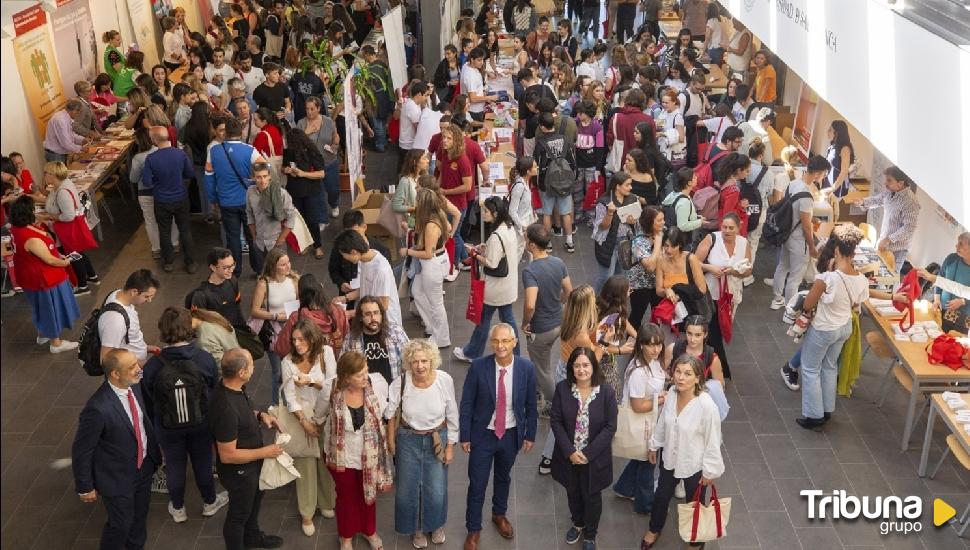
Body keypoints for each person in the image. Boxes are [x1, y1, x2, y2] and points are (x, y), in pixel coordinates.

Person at [789, 225, 906, 429]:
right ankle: (827, 410)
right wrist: (892, 296)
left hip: (824, 329)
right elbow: (859, 300)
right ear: (853, 253)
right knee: (830, 367)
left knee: (810, 367)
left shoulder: (827, 279)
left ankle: (814, 415)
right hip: (844, 329)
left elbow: (808, 304)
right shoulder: (860, 279)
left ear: (836, 251)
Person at [141, 307, 228, 523]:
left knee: (174, 465)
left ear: (163, 331)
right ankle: (209, 502)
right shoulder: (203, 358)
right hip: (201, 422)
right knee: (203, 462)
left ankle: (178, 507)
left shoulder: (153, 365)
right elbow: (214, 389)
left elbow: (149, 398)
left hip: (167, 425)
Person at [72, 349, 162, 550]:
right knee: (121, 524)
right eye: (132, 367)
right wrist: (85, 486)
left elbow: (144, 419)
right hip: (116, 477)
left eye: (136, 363)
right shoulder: (97, 408)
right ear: (115, 374)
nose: (139, 369)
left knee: (139, 518)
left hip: (144, 468)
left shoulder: (135, 387)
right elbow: (82, 449)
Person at [459, 323, 538, 550]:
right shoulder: (478, 367)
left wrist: (530, 434)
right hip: (482, 435)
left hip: (511, 434)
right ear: (491, 342)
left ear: (514, 342)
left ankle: (499, 514)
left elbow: (531, 404)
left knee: (503, 477)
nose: (500, 345)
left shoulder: (526, 368)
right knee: (477, 483)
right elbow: (466, 404)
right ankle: (473, 529)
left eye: (505, 341)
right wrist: (465, 436)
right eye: (496, 341)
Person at [640, 354, 724, 549]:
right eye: (678, 371)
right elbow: (663, 423)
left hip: (694, 464)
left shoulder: (706, 406)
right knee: (661, 496)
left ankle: (696, 541)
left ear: (697, 378)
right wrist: (655, 444)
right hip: (669, 458)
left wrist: (710, 471)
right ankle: (654, 529)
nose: (681, 377)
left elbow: (713, 440)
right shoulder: (671, 393)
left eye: (687, 373)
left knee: (694, 503)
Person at [313, 351, 392, 550]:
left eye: (366, 372)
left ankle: (369, 531)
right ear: (346, 377)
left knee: (368, 494)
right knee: (346, 497)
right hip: (342, 456)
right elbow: (319, 414)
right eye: (360, 375)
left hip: (370, 454)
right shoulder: (331, 388)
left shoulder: (376, 384)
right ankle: (346, 536)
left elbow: (383, 412)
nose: (366, 377)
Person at [209, 348, 285, 549]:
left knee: (253, 504)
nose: (254, 368)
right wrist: (266, 452)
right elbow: (227, 455)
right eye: (251, 364)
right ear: (241, 372)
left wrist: (260, 416)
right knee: (238, 515)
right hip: (240, 473)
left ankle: (252, 537)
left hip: (251, 466)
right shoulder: (225, 407)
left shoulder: (234, 387)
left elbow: (243, 411)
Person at [385, 340, 458, 548]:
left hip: (437, 438)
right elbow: (390, 414)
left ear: (432, 360)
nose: (420, 366)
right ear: (409, 362)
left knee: (436, 487)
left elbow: (452, 415)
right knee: (408, 488)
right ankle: (415, 529)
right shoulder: (400, 382)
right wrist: (391, 442)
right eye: (415, 361)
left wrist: (451, 445)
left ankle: (435, 525)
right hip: (408, 439)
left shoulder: (444, 380)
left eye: (424, 361)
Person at [550, 346, 618, 550]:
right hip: (568, 456)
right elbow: (556, 421)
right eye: (577, 365)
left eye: (586, 365)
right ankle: (577, 523)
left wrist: (587, 454)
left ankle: (590, 534)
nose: (581, 370)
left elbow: (610, 427)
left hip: (594, 458)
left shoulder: (606, 392)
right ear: (571, 368)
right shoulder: (563, 389)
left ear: (593, 366)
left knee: (592, 496)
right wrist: (570, 452)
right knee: (573, 492)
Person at [281, 319, 337, 536]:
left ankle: (326, 501)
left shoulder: (326, 353)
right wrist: (304, 422)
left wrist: (311, 382)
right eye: (294, 339)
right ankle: (306, 512)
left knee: (325, 459)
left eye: (301, 339)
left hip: (326, 415)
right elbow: (290, 397)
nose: (296, 343)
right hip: (302, 418)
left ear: (312, 338)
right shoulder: (288, 362)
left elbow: (333, 384)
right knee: (304, 463)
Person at [454, 198, 522, 362]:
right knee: (507, 321)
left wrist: (475, 254)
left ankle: (472, 352)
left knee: (483, 320)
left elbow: (492, 263)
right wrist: (486, 248)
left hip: (495, 288)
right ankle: (516, 355)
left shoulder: (496, 236)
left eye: (485, 211)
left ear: (495, 213)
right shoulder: (509, 228)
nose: (482, 214)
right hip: (507, 285)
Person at [7, 196, 80, 351]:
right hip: (43, 278)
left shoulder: (16, 228)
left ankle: (43, 333)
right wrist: (65, 262)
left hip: (28, 275)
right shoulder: (31, 239)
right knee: (51, 308)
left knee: (39, 306)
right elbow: (49, 260)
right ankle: (56, 343)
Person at [613, 324, 666, 515]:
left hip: (650, 420)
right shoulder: (638, 372)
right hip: (644, 423)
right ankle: (645, 504)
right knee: (647, 464)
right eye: (651, 345)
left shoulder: (652, 362)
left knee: (641, 458)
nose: (656, 349)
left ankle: (624, 487)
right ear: (641, 345)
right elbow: (637, 405)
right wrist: (660, 399)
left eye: (659, 345)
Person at [522, 221, 573, 410]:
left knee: (544, 370)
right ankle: (536, 392)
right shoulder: (558, 262)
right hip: (559, 322)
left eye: (526, 239)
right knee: (541, 362)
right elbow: (568, 290)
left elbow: (529, 304)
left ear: (533, 245)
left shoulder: (530, 271)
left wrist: (525, 322)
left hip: (540, 328)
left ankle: (554, 405)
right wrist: (557, 301)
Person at [205, 118, 266, 277]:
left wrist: (213, 200)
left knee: (233, 238)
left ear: (226, 133)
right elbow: (266, 169)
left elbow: (209, 178)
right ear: (241, 132)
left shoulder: (214, 151)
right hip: (249, 202)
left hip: (226, 202)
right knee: (253, 236)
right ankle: (258, 269)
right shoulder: (250, 150)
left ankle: (234, 271)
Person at [770, 155, 831, 309]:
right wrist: (812, 247)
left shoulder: (794, 183)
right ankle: (790, 308)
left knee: (782, 266)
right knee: (795, 277)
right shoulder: (807, 196)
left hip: (786, 233)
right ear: (817, 173)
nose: (824, 177)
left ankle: (777, 299)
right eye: (824, 173)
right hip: (799, 240)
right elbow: (805, 225)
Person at [37, 161, 100, 294]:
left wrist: (51, 217)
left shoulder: (62, 192)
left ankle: (83, 286)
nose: (44, 176)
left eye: (46, 173)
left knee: (73, 255)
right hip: (69, 228)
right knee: (79, 252)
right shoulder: (61, 185)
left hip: (67, 229)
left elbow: (69, 216)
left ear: (53, 175)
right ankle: (92, 276)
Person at [142, 126, 198, 273]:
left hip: (161, 200)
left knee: (164, 231)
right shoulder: (180, 154)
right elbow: (190, 173)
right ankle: (190, 263)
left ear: (154, 140)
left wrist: (158, 181)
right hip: (181, 197)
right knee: (185, 230)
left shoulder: (151, 158)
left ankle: (168, 262)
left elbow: (147, 182)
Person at [249, 247, 299, 405]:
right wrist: (276, 316)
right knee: (277, 372)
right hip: (274, 333)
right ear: (273, 266)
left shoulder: (295, 280)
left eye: (288, 262)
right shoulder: (264, 284)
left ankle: (292, 402)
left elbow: (300, 302)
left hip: (293, 330)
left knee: (294, 368)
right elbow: (255, 310)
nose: (288, 266)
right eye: (283, 264)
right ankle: (276, 405)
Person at [403, 188, 452, 349]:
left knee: (436, 303)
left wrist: (408, 251)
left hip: (433, 265)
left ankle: (442, 337)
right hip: (438, 262)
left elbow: (428, 253)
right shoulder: (438, 215)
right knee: (417, 291)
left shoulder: (431, 225)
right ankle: (432, 327)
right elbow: (450, 228)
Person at [849, 166, 920, 270]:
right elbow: (878, 200)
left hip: (898, 249)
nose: (885, 183)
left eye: (889, 180)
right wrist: (862, 202)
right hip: (884, 243)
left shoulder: (911, 202)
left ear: (901, 183)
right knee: (879, 274)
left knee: (890, 279)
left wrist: (889, 240)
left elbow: (909, 228)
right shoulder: (890, 191)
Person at [334, 229, 403, 329]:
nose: (344, 258)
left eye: (344, 255)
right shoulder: (363, 259)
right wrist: (346, 298)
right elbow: (366, 286)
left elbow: (383, 305)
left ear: (354, 252)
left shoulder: (381, 270)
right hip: (369, 317)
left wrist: (352, 313)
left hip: (385, 322)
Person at [275, 273, 350, 358]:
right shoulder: (339, 311)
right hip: (335, 364)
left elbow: (281, 349)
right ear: (321, 287)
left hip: (308, 367)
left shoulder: (296, 318)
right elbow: (347, 339)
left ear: (300, 295)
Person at [342, 295, 410, 384]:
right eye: (367, 314)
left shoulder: (395, 332)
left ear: (382, 314)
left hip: (394, 390)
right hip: (365, 391)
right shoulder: (351, 339)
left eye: (376, 313)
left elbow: (410, 358)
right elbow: (343, 368)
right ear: (360, 317)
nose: (373, 318)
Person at [100, 269, 161, 366]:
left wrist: (145, 348)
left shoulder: (118, 293)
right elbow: (106, 358)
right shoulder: (115, 320)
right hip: (130, 373)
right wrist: (137, 365)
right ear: (134, 291)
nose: (149, 301)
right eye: (146, 296)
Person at [295, 97, 342, 222]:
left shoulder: (328, 121)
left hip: (329, 161)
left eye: (312, 109)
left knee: (333, 188)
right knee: (317, 193)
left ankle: (334, 204)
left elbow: (335, 135)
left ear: (319, 108)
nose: (309, 112)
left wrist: (335, 144)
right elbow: (297, 144)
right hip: (312, 165)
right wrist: (306, 132)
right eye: (307, 109)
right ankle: (322, 219)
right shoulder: (301, 123)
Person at [593, 172, 639, 292]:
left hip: (626, 243)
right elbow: (602, 227)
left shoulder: (632, 199)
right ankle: (599, 302)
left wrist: (632, 222)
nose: (631, 187)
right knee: (606, 278)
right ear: (617, 186)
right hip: (609, 244)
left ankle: (616, 301)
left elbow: (637, 223)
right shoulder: (604, 201)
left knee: (621, 276)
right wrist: (609, 213)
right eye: (627, 185)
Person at [245, 161, 296, 270]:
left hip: (276, 242)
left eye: (265, 176)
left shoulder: (281, 193)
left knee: (280, 273)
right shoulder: (250, 192)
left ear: (269, 176)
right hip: (259, 243)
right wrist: (254, 236)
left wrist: (281, 240)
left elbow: (291, 217)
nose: (262, 181)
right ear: (253, 178)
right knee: (262, 272)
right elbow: (249, 214)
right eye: (258, 177)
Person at [187, 248, 248, 331]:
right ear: (213, 267)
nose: (231, 270)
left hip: (235, 331)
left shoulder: (232, 280)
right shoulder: (201, 295)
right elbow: (197, 325)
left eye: (233, 265)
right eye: (225, 267)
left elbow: (237, 307)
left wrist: (244, 327)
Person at [628, 206, 665, 330]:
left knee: (659, 315)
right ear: (650, 222)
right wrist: (658, 243)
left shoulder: (663, 233)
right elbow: (650, 266)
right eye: (659, 220)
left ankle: (655, 341)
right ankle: (632, 343)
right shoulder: (639, 241)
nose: (663, 223)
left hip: (658, 283)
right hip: (640, 285)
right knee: (637, 316)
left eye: (663, 219)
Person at [933, 233, 970, 334]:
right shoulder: (951, 258)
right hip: (941, 309)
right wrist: (936, 298)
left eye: (961, 244)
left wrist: (963, 301)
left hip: (963, 318)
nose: (957, 246)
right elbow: (939, 278)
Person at [661, 168, 704, 246]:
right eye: (694, 177)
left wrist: (696, 217)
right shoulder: (684, 202)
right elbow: (682, 226)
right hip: (681, 242)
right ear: (689, 183)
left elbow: (678, 213)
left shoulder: (673, 194)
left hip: (669, 235)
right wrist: (700, 222)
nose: (696, 177)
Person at [825, 120, 855, 198]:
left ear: (837, 133)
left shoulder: (845, 149)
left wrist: (833, 188)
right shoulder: (833, 146)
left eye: (830, 130)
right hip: (829, 182)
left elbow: (844, 172)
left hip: (838, 187)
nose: (827, 131)